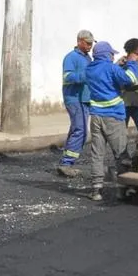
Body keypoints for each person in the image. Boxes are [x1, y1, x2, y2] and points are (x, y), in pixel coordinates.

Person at [85, 41, 138, 201]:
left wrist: (117, 65)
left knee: (97, 153)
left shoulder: (90, 68)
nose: (112, 56)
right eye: (111, 54)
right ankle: (123, 187)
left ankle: (96, 188)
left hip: (96, 116)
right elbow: (130, 79)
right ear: (105, 55)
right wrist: (132, 62)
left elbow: (105, 75)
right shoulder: (111, 69)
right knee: (121, 152)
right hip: (113, 117)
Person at [58, 29, 94, 177]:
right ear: (79, 41)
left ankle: (66, 162)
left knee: (77, 130)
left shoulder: (87, 58)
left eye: (91, 44)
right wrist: (85, 75)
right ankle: (66, 163)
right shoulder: (71, 57)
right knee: (81, 130)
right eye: (87, 43)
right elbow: (68, 76)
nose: (90, 46)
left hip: (84, 99)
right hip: (74, 99)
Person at [120, 38, 138, 130]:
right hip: (128, 103)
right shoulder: (124, 64)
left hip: (137, 103)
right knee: (122, 131)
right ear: (135, 51)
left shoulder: (137, 65)